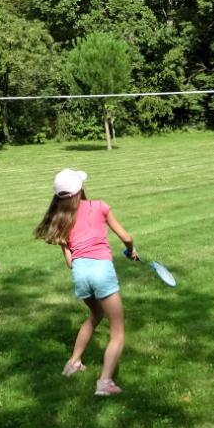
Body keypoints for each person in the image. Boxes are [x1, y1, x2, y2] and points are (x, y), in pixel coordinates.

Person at [34, 168, 139, 396]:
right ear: (80, 189)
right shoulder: (99, 206)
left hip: (80, 273)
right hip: (101, 271)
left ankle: (73, 363)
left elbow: (71, 262)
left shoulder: (62, 220)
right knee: (117, 331)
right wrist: (130, 250)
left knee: (95, 315)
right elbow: (127, 237)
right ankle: (105, 383)